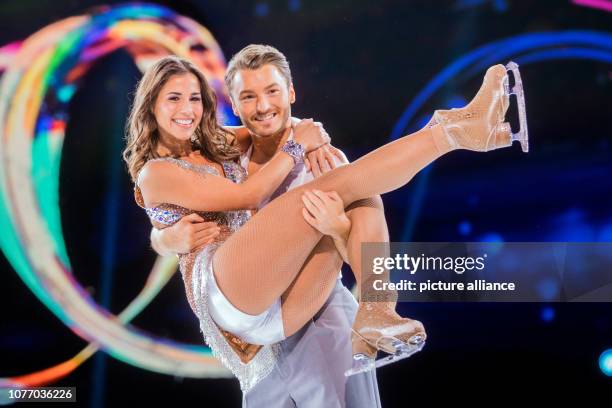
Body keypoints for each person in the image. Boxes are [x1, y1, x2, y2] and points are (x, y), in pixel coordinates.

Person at [123, 50, 525, 402]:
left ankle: (377, 308)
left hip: (284, 309)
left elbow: (280, 125)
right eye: (173, 98)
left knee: (359, 189)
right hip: (228, 294)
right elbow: (246, 196)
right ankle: (453, 130)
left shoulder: (218, 141)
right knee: (333, 186)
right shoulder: (155, 172)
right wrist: (299, 145)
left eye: (194, 98)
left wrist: (312, 139)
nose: (187, 109)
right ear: (151, 106)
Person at [150, 44, 389, 407]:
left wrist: (338, 228)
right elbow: (166, 205)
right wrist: (165, 238)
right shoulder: (225, 156)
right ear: (234, 104)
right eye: (249, 96)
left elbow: (366, 244)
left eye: (272, 91)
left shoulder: (321, 160)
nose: (262, 106)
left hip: (321, 323)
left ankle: (455, 132)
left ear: (291, 92)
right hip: (259, 348)